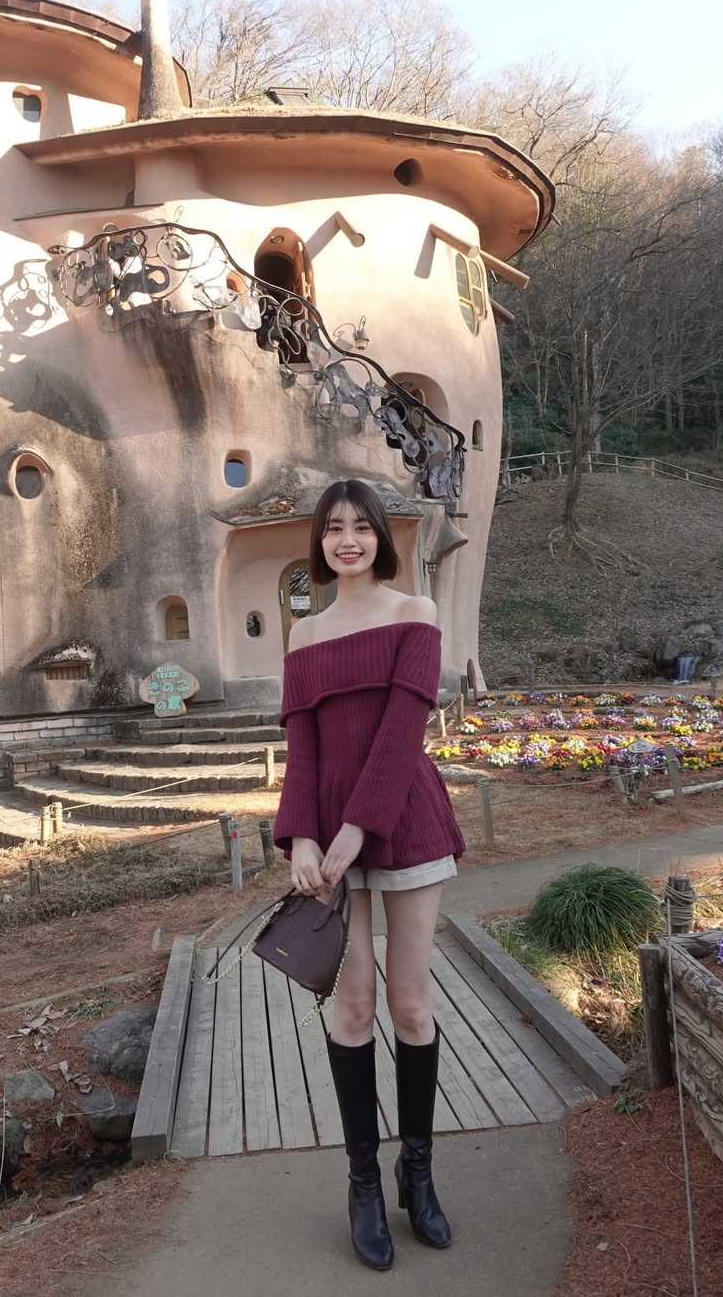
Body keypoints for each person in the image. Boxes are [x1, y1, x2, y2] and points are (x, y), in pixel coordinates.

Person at [273, 478, 466, 1272]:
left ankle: (417, 1173)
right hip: (328, 835)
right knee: (351, 1004)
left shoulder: (416, 614)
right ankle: (362, 1184)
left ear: (382, 537)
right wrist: (301, 836)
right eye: (333, 528)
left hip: (404, 820)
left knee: (409, 1001)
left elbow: (400, 733)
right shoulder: (304, 633)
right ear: (319, 542)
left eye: (361, 526)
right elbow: (304, 746)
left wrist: (356, 828)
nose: (347, 539)